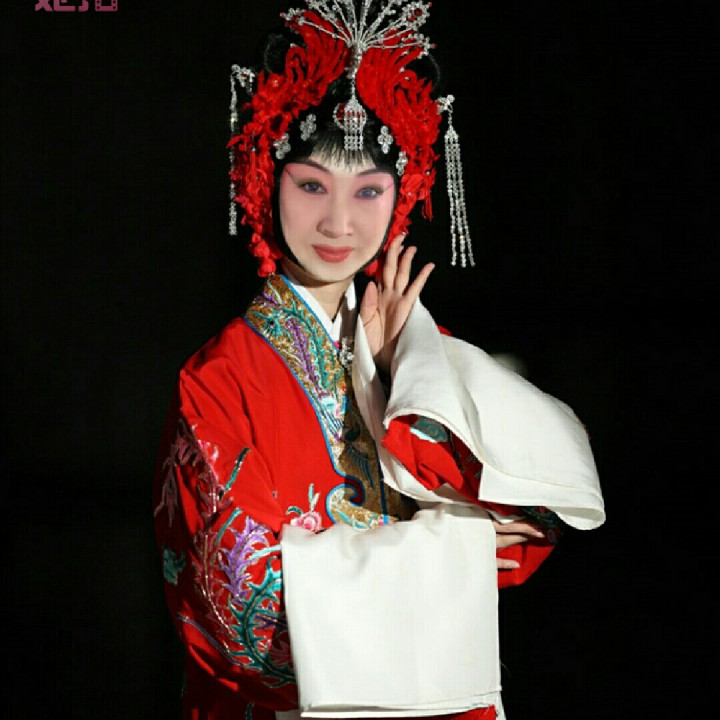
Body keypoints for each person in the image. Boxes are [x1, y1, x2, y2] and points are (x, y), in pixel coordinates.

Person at [152, 3, 605, 719]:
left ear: (403, 195)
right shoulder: (219, 381)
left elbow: (538, 516)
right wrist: (453, 555)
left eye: (368, 190)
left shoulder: (409, 351)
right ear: (264, 181)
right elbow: (247, 623)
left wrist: (402, 375)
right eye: (311, 185)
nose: (339, 222)